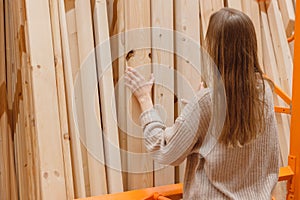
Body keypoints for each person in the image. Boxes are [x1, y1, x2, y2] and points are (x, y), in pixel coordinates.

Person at [125, 8, 279, 200]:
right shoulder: (264, 93)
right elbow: (268, 159)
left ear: (214, 50)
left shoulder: (207, 102)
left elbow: (164, 151)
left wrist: (145, 100)